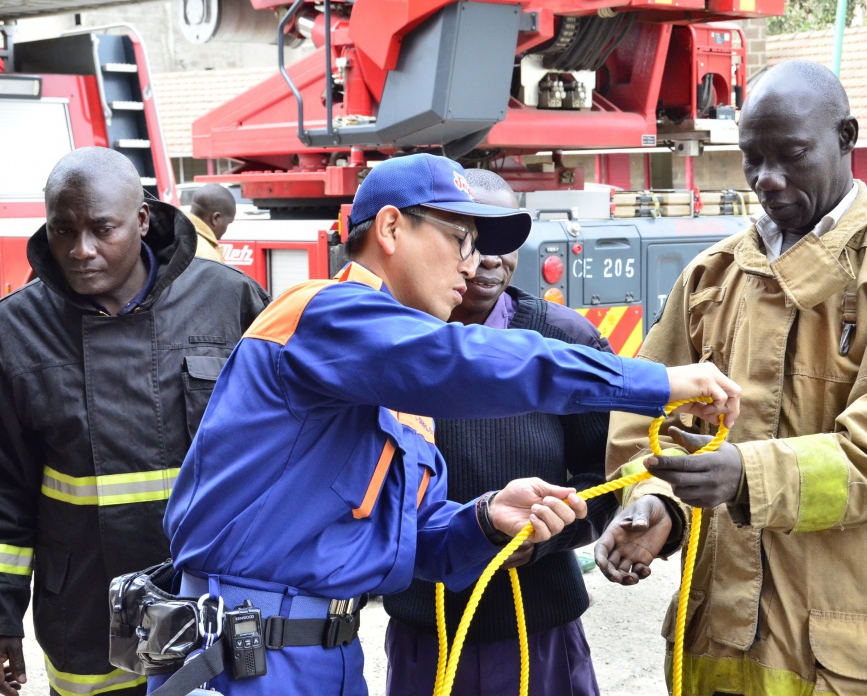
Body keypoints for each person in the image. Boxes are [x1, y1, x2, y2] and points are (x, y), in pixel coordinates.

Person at [155, 152, 741, 696]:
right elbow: (469, 360)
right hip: (243, 653)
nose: (474, 263)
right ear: (390, 230)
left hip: (323, 652)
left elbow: (414, 538)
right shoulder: (321, 315)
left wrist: (485, 520)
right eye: (461, 238)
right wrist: (657, 383)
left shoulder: (400, 387)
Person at [597, 59, 867, 696]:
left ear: (847, 138)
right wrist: (656, 504)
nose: (767, 179)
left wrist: (743, 474)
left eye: (793, 154)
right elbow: (649, 421)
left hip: (854, 662)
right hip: (717, 647)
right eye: (752, 158)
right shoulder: (711, 277)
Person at [0, 147, 271, 696]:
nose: (82, 250)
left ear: (142, 219)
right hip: (87, 620)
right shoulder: (11, 336)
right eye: (63, 231)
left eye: (103, 229)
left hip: (217, 607)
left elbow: (287, 452)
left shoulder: (230, 302)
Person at [383, 168, 614, 696]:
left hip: (539, 629)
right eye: (470, 238)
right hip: (429, 632)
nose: (489, 257)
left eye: (505, 239)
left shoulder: (565, 341)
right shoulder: (387, 347)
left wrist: (551, 534)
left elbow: (605, 477)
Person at [186, 183, 236, 262]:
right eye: (228, 223)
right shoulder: (208, 257)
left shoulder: (173, 231)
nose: (225, 230)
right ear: (215, 218)